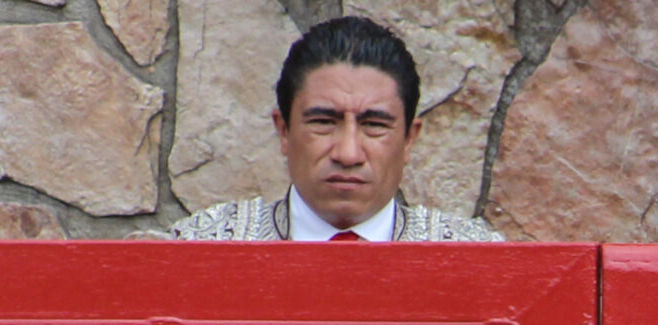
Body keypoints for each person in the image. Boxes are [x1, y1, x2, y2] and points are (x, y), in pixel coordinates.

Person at [168, 16, 498, 242]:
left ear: (409, 139)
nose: (348, 153)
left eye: (374, 125)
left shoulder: (480, 261)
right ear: (284, 130)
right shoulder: (199, 249)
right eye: (324, 122)